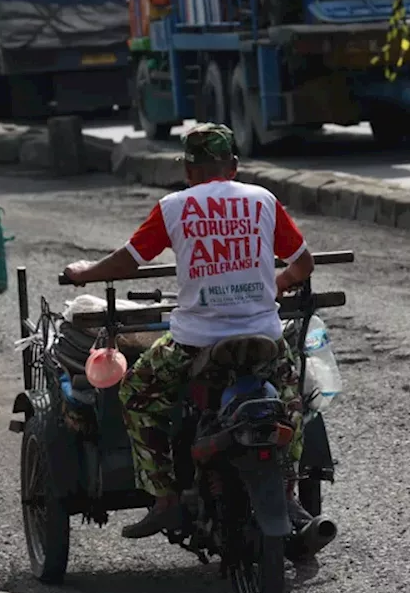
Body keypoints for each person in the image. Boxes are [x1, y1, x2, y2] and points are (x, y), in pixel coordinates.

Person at [63, 123, 316, 538]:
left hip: (194, 342)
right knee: (292, 401)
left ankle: (164, 499)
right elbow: (303, 264)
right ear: (233, 166)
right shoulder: (263, 200)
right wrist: (277, 284)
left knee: (135, 394)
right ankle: (288, 492)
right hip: (264, 340)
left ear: (188, 169)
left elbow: (129, 261)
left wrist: (85, 273)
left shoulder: (175, 206)